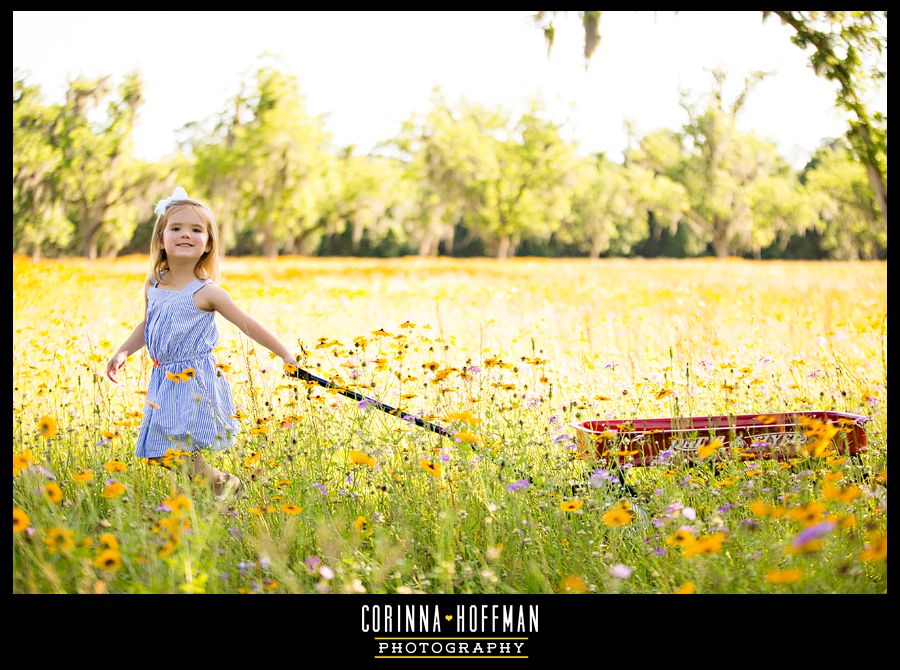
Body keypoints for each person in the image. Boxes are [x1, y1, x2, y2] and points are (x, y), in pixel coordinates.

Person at [106, 186, 296, 500]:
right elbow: (147, 324)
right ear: (161, 238)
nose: (185, 234)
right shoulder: (154, 283)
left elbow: (247, 324)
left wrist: (286, 354)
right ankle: (222, 484)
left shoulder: (207, 292)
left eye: (196, 229)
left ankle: (222, 486)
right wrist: (123, 350)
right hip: (164, 378)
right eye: (176, 228)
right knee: (159, 452)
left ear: (207, 244)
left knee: (169, 449)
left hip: (194, 379)